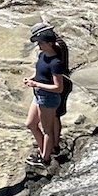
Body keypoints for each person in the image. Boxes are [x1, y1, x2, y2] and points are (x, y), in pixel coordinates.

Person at [26, 24, 70, 167]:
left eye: (41, 43)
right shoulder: (42, 55)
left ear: (50, 44)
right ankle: (44, 149)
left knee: (47, 130)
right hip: (38, 94)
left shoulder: (56, 63)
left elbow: (58, 87)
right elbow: (40, 72)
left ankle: (44, 159)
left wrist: (37, 85)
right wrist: (32, 79)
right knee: (31, 124)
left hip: (48, 98)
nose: (39, 45)